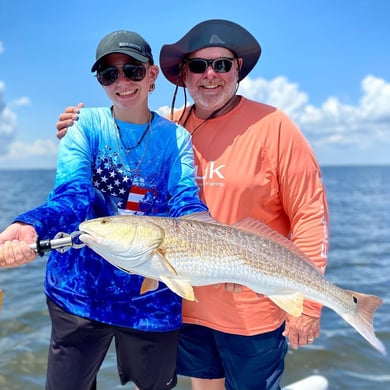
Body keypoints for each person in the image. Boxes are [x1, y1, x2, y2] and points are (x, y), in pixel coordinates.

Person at [55, 20, 329, 390]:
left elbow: (311, 216)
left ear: (238, 70)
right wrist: (76, 126)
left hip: (252, 307)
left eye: (222, 64)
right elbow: (121, 136)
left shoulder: (274, 125)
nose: (210, 75)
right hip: (187, 304)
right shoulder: (168, 129)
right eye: (198, 66)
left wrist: (309, 305)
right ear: (183, 75)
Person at [0, 30, 208, 390]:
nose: (122, 82)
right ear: (99, 80)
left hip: (151, 297)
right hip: (78, 293)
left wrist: (207, 233)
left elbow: (185, 199)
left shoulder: (176, 139)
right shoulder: (86, 127)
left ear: (153, 74)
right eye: (109, 74)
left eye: (132, 70)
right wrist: (32, 224)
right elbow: (72, 195)